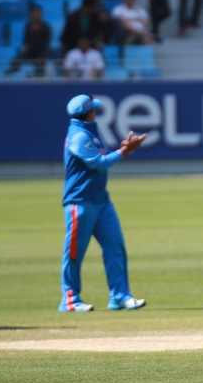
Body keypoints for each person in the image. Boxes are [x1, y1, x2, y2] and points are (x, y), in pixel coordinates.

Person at [59, 94, 147, 312]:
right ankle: (70, 300)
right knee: (74, 254)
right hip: (80, 203)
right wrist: (124, 152)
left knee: (115, 247)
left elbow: (107, 155)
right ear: (88, 113)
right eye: (94, 110)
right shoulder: (79, 136)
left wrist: (123, 148)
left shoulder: (90, 133)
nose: (96, 112)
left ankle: (119, 296)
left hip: (101, 201)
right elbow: (99, 163)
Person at [6, 4, 51, 76]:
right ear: (31, 14)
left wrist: (42, 57)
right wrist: (26, 46)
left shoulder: (46, 28)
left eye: (38, 12)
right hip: (30, 53)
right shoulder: (28, 26)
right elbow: (26, 40)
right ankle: (14, 71)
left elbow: (46, 44)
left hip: (41, 53)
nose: (36, 14)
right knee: (15, 61)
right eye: (34, 12)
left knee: (39, 70)